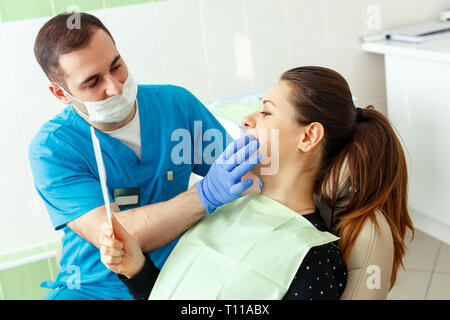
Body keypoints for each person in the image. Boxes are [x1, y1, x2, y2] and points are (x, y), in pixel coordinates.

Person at [100, 65, 413, 300]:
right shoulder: (226, 210)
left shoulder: (312, 258)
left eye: (266, 112)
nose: (247, 120)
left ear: (308, 136)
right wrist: (137, 270)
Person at [28, 12, 261, 300]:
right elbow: (120, 236)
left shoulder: (176, 105)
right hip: (92, 290)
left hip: (184, 277)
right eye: (92, 82)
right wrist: (205, 195)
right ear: (60, 93)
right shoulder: (53, 149)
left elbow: (246, 178)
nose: (115, 87)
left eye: (117, 66)